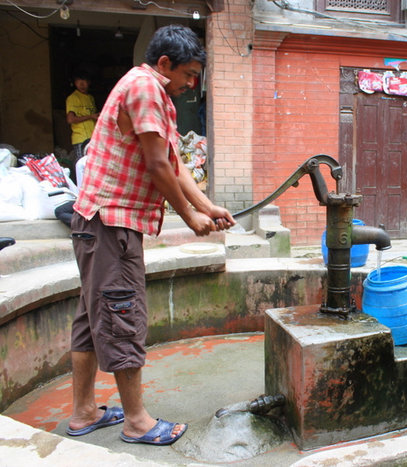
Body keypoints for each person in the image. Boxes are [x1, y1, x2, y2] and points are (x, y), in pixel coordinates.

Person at [67, 24, 234, 446]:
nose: (191, 84)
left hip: (99, 225)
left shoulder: (149, 90)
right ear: (164, 64)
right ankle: (137, 422)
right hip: (110, 225)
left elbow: (173, 162)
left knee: (92, 320)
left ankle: (84, 412)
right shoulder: (145, 87)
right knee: (123, 317)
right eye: (188, 74)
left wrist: (207, 206)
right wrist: (189, 218)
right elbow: (158, 167)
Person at [66, 69, 99, 160]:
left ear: (89, 82)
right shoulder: (73, 98)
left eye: (84, 81)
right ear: (74, 83)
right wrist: (90, 116)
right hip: (81, 139)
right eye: (78, 81)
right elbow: (70, 119)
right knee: (83, 167)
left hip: (92, 137)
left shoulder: (90, 98)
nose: (81, 84)